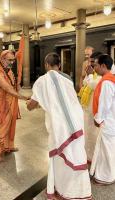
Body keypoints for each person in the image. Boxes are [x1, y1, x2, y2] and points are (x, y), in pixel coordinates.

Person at [27, 53, 91, 200]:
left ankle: (66, 191)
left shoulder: (41, 81)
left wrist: (31, 104)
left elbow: (32, 105)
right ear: (59, 66)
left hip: (59, 126)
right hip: (76, 122)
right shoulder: (67, 79)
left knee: (60, 157)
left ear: (46, 65)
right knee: (75, 153)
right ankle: (80, 191)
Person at [0, 50, 28, 162]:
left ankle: (8, 146)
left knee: (9, 126)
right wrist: (24, 97)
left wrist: (17, 85)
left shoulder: (9, 71)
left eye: (13, 60)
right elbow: (7, 88)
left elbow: (13, 86)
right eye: (10, 60)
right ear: (2, 59)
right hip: (0, 106)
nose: (12, 62)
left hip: (10, 104)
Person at [90, 54, 115, 185]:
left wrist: (98, 119)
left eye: (96, 65)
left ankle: (106, 177)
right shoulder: (111, 78)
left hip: (108, 121)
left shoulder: (106, 82)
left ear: (103, 66)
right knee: (110, 148)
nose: (95, 68)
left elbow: (105, 104)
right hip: (112, 120)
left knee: (107, 150)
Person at [78, 52, 102, 162]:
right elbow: (85, 83)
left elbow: (95, 85)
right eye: (90, 61)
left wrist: (91, 75)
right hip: (86, 107)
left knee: (93, 134)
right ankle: (87, 155)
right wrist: (88, 75)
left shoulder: (102, 74)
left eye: (93, 62)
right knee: (86, 133)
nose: (91, 64)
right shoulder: (92, 73)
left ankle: (94, 157)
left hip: (95, 109)